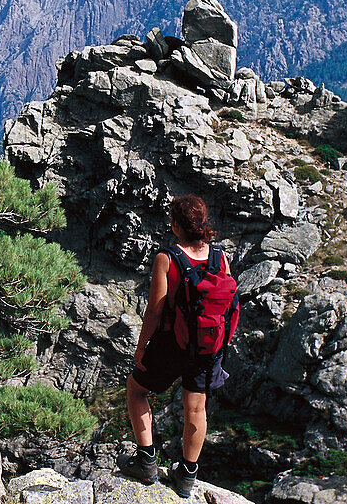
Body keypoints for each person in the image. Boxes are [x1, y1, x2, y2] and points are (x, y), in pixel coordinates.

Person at [119, 195, 232, 498]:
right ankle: (187, 477)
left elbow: (155, 310)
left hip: (172, 344)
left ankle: (145, 461)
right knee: (196, 407)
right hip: (208, 347)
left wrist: (142, 348)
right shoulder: (220, 257)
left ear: (177, 226)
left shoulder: (167, 258)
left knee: (136, 389)